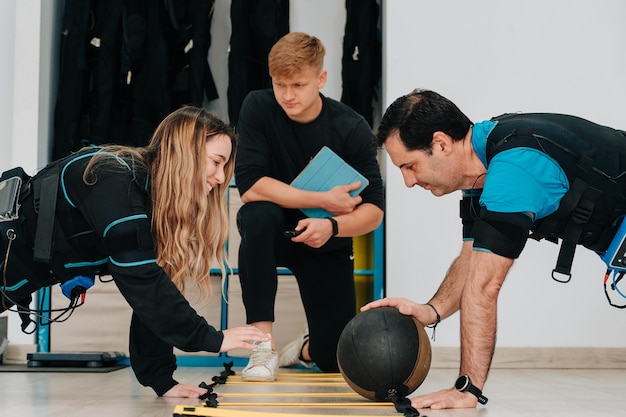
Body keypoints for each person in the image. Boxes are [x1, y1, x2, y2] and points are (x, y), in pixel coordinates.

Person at [364, 89, 626, 409]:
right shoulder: (482, 166)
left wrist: (467, 388)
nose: (408, 181)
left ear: (441, 144)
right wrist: (431, 311)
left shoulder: (512, 168)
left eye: (410, 166)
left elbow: (485, 285)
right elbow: (471, 260)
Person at [0, 106, 269, 398]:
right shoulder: (113, 179)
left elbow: (151, 291)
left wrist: (162, 381)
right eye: (216, 163)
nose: (219, 178)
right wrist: (211, 338)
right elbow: (141, 277)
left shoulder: (147, 196)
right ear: (184, 152)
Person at [234, 32, 385, 382]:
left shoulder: (352, 127)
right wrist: (322, 200)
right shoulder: (257, 106)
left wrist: (331, 225)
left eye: (298, 85)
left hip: (325, 236)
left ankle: (305, 347)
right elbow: (251, 186)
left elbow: (374, 212)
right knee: (258, 215)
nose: (287, 95)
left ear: (321, 79)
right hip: (271, 229)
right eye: (280, 84)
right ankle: (262, 347)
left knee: (335, 357)